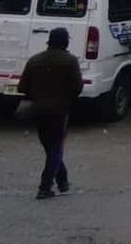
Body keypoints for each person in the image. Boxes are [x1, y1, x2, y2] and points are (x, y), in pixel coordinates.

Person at [17, 27, 83, 200]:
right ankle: (45, 187)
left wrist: (36, 96)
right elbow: (78, 87)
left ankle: (62, 181)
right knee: (55, 149)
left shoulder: (34, 60)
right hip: (60, 111)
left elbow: (22, 87)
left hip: (38, 110)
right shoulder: (70, 61)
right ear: (66, 42)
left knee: (50, 148)